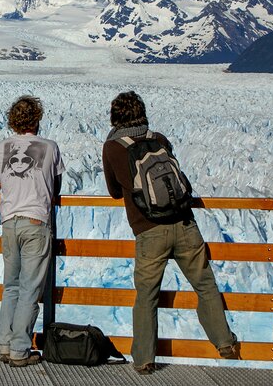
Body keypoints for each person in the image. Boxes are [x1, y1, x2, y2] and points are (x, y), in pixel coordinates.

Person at [101, 91, 239, 375]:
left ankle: (144, 359)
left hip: (149, 230)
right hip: (185, 224)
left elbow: (115, 192)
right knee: (205, 284)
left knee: (147, 295)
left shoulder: (113, 147)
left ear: (115, 117)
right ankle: (225, 342)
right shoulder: (159, 138)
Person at [0, 95, 64, 367]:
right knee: (30, 289)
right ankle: (20, 350)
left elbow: (1, 182)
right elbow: (55, 185)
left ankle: (4, 343)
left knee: (10, 285)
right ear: (37, 119)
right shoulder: (50, 146)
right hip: (36, 221)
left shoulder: (2, 147)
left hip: (9, 222)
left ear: (14, 120)